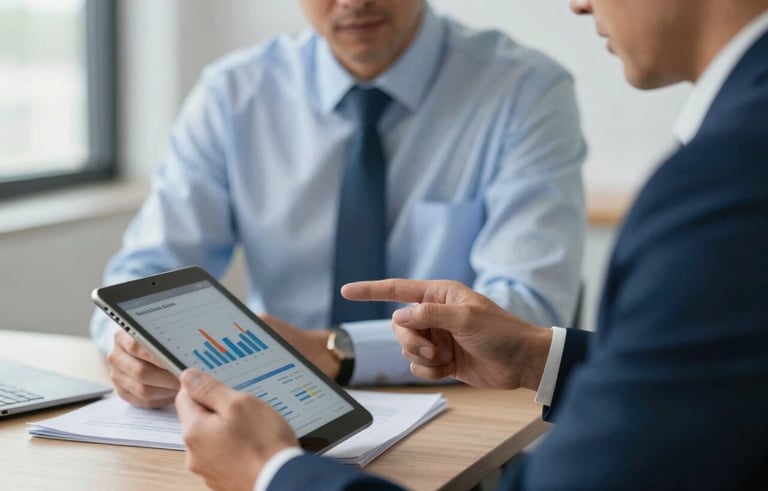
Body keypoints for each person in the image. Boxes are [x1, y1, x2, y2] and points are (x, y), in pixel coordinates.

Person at [173, 0, 768, 489]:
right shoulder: (231, 90)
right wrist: (538, 354)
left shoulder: (725, 174)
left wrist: (271, 474)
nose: (579, 4)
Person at [91, 0, 587, 408]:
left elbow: (527, 311)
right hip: (268, 404)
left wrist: (336, 350)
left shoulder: (525, 90)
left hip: (463, 403)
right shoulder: (232, 93)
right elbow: (145, 272)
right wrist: (133, 347)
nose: (353, 2)